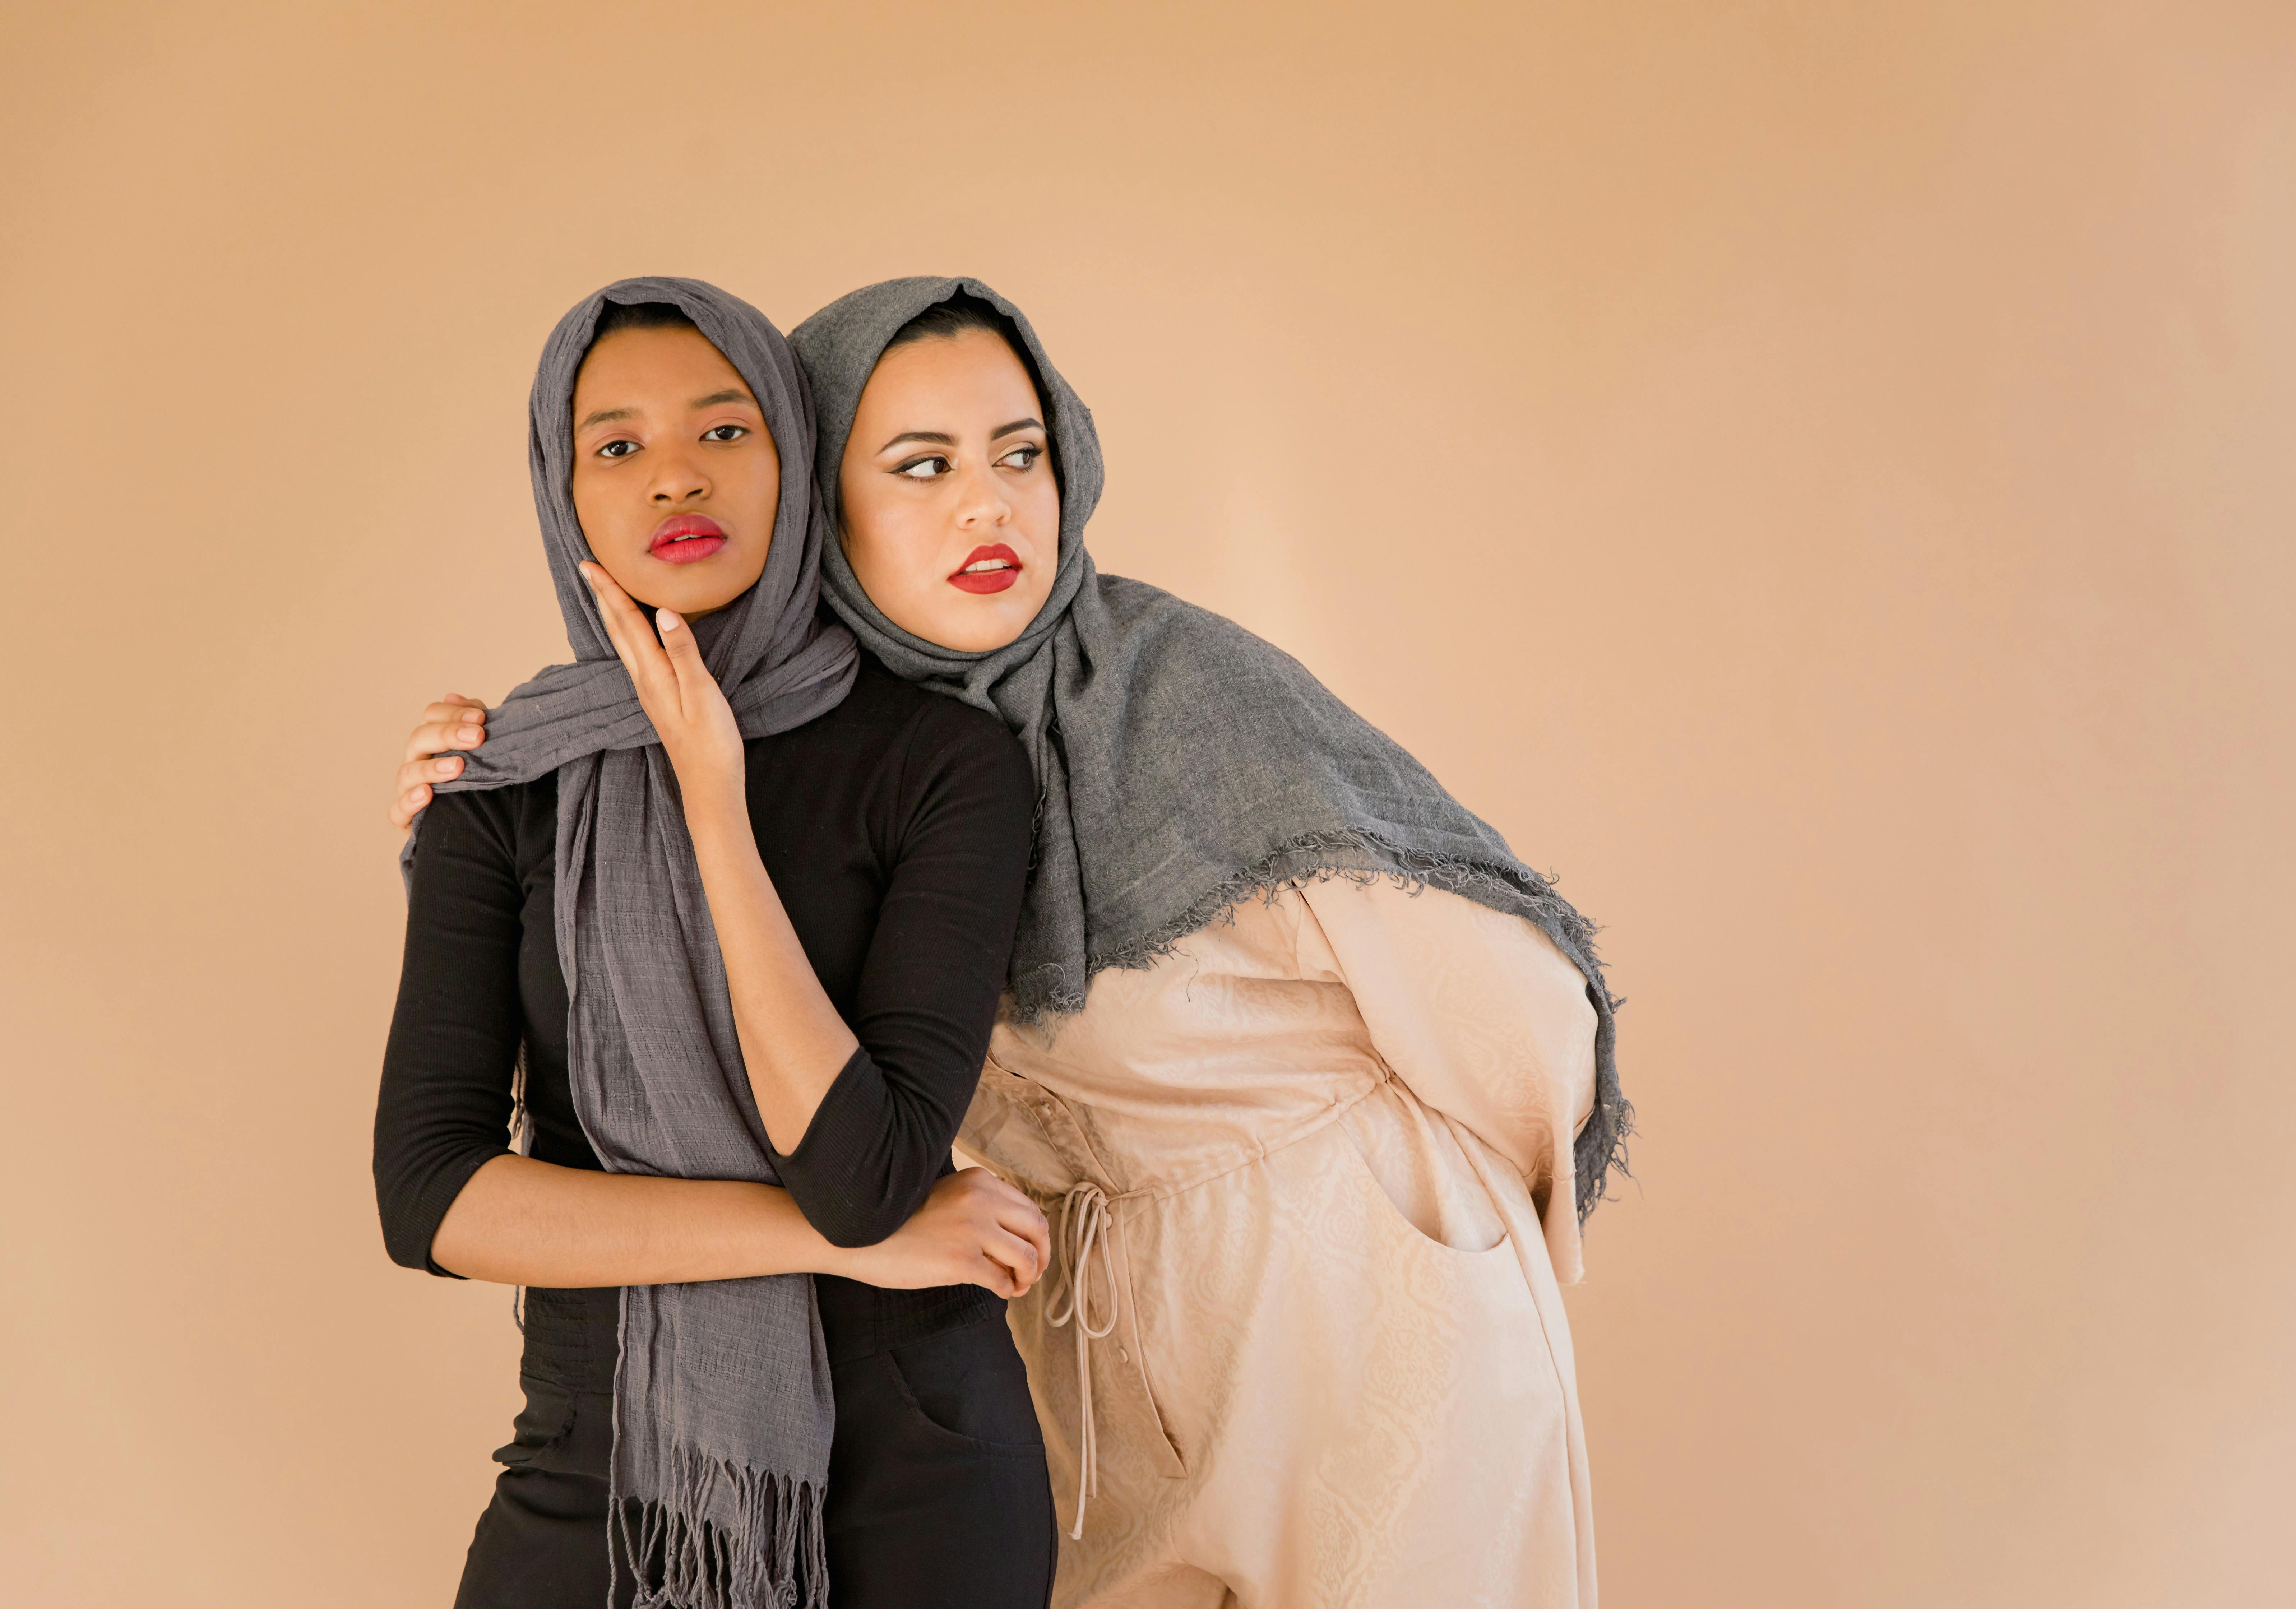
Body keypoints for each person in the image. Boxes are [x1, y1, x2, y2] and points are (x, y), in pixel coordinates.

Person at [393, 277, 1632, 1609]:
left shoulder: (1143, 709)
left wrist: (1444, 1231)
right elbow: (438, 1188)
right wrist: (502, 787)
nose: (987, 506)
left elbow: (1504, 1011)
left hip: (1363, 1304)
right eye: (921, 467)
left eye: (1021, 456)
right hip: (1090, 1332)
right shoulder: (559, 774)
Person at [376, 277, 1058, 1609]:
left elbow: (864, 1175)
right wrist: (831, 1244)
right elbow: (435, 1199)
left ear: (796, 461)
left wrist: (713, 799)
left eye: (725, 432)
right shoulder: (502, 779)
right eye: (617, 446)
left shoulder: (943, 762)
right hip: (605, 1454)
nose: (675, 479)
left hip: (917, 1475)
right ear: (561, 490)